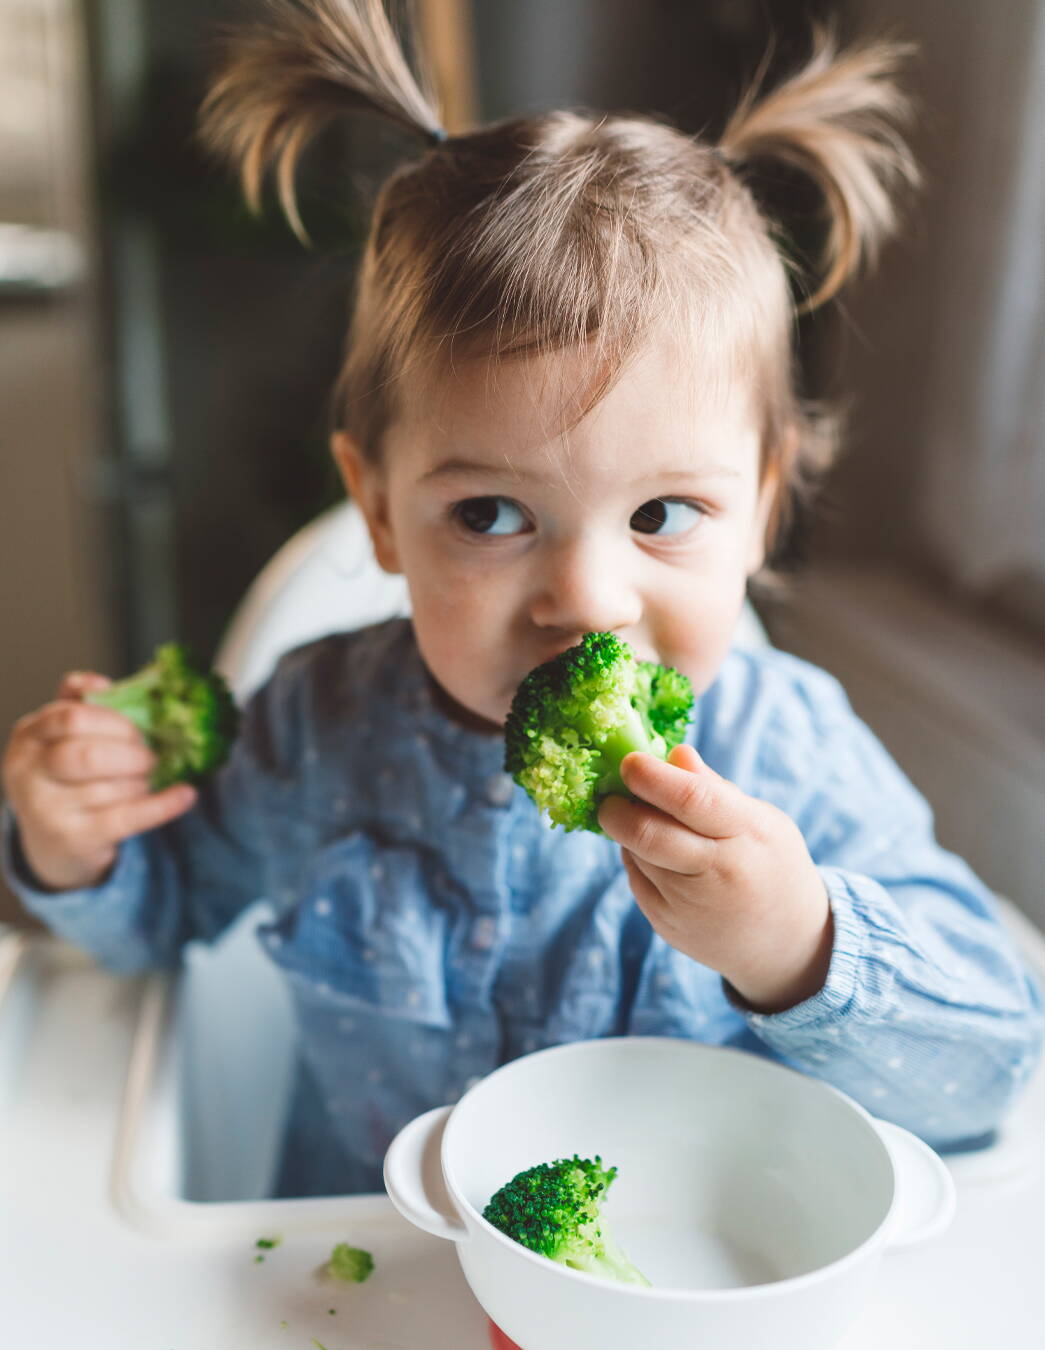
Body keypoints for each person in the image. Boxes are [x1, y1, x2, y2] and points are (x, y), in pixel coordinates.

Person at [2, 0, 1041, 1198]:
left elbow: (990, 1069)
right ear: (378, 509)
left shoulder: (789, 753)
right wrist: (70, 850)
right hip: (357, 1270)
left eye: (662, 514)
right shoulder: (317, 732)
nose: (587, 601)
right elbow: (159, 917)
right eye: (490, 514)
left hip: (682, 1269)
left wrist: (798, 944)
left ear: (762, 506)